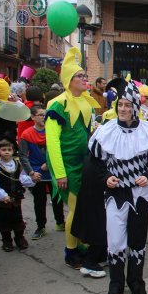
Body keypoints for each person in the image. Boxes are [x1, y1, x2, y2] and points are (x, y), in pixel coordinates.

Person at [88, 78, 148, 294]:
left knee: (137, 239)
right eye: (120, 105)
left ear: (135, 107)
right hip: (115, 195)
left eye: (127, 105)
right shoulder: (106, 131)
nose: (123, 109)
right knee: (115, 241)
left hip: (140, 195)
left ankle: (135, 282)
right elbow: (95, 160)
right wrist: (106, 178)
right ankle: (115, 284)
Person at [45, 47, 101, 268]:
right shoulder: (57, 104)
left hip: (83, 163)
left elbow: (88, 133)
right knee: (75, 208)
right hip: (66, 164)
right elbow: (52, 141)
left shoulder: (86, 101)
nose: (85, 79)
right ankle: (71, 252)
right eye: (80, 76)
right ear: (69, 79)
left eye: (85, 75)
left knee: (83, 207)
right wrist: (59, 173)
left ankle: (79, 243)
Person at [19, 105, 65, 240]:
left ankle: (60, 222)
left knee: (57, 198)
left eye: (45, 115)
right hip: (37, 173)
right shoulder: (26, 134)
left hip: (53, 172)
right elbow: (22, 156)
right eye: (40, 115)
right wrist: (32, 173)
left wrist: (51, 164)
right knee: (39, 201)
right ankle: (41, 227)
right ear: (32, 117)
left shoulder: (52, 131)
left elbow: (59, 150)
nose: (43, 117)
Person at [0, 137, 35, 251]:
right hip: (2, 200)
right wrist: (2, 196)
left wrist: (32, 180)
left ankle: (19, 239)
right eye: (3, 149)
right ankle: (6, 241)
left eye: (9, 149)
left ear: (13, 151)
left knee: (17, 219)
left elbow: (21, 178)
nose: (6, 152)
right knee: (4, 221)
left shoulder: (17, 164)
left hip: (16, 197)